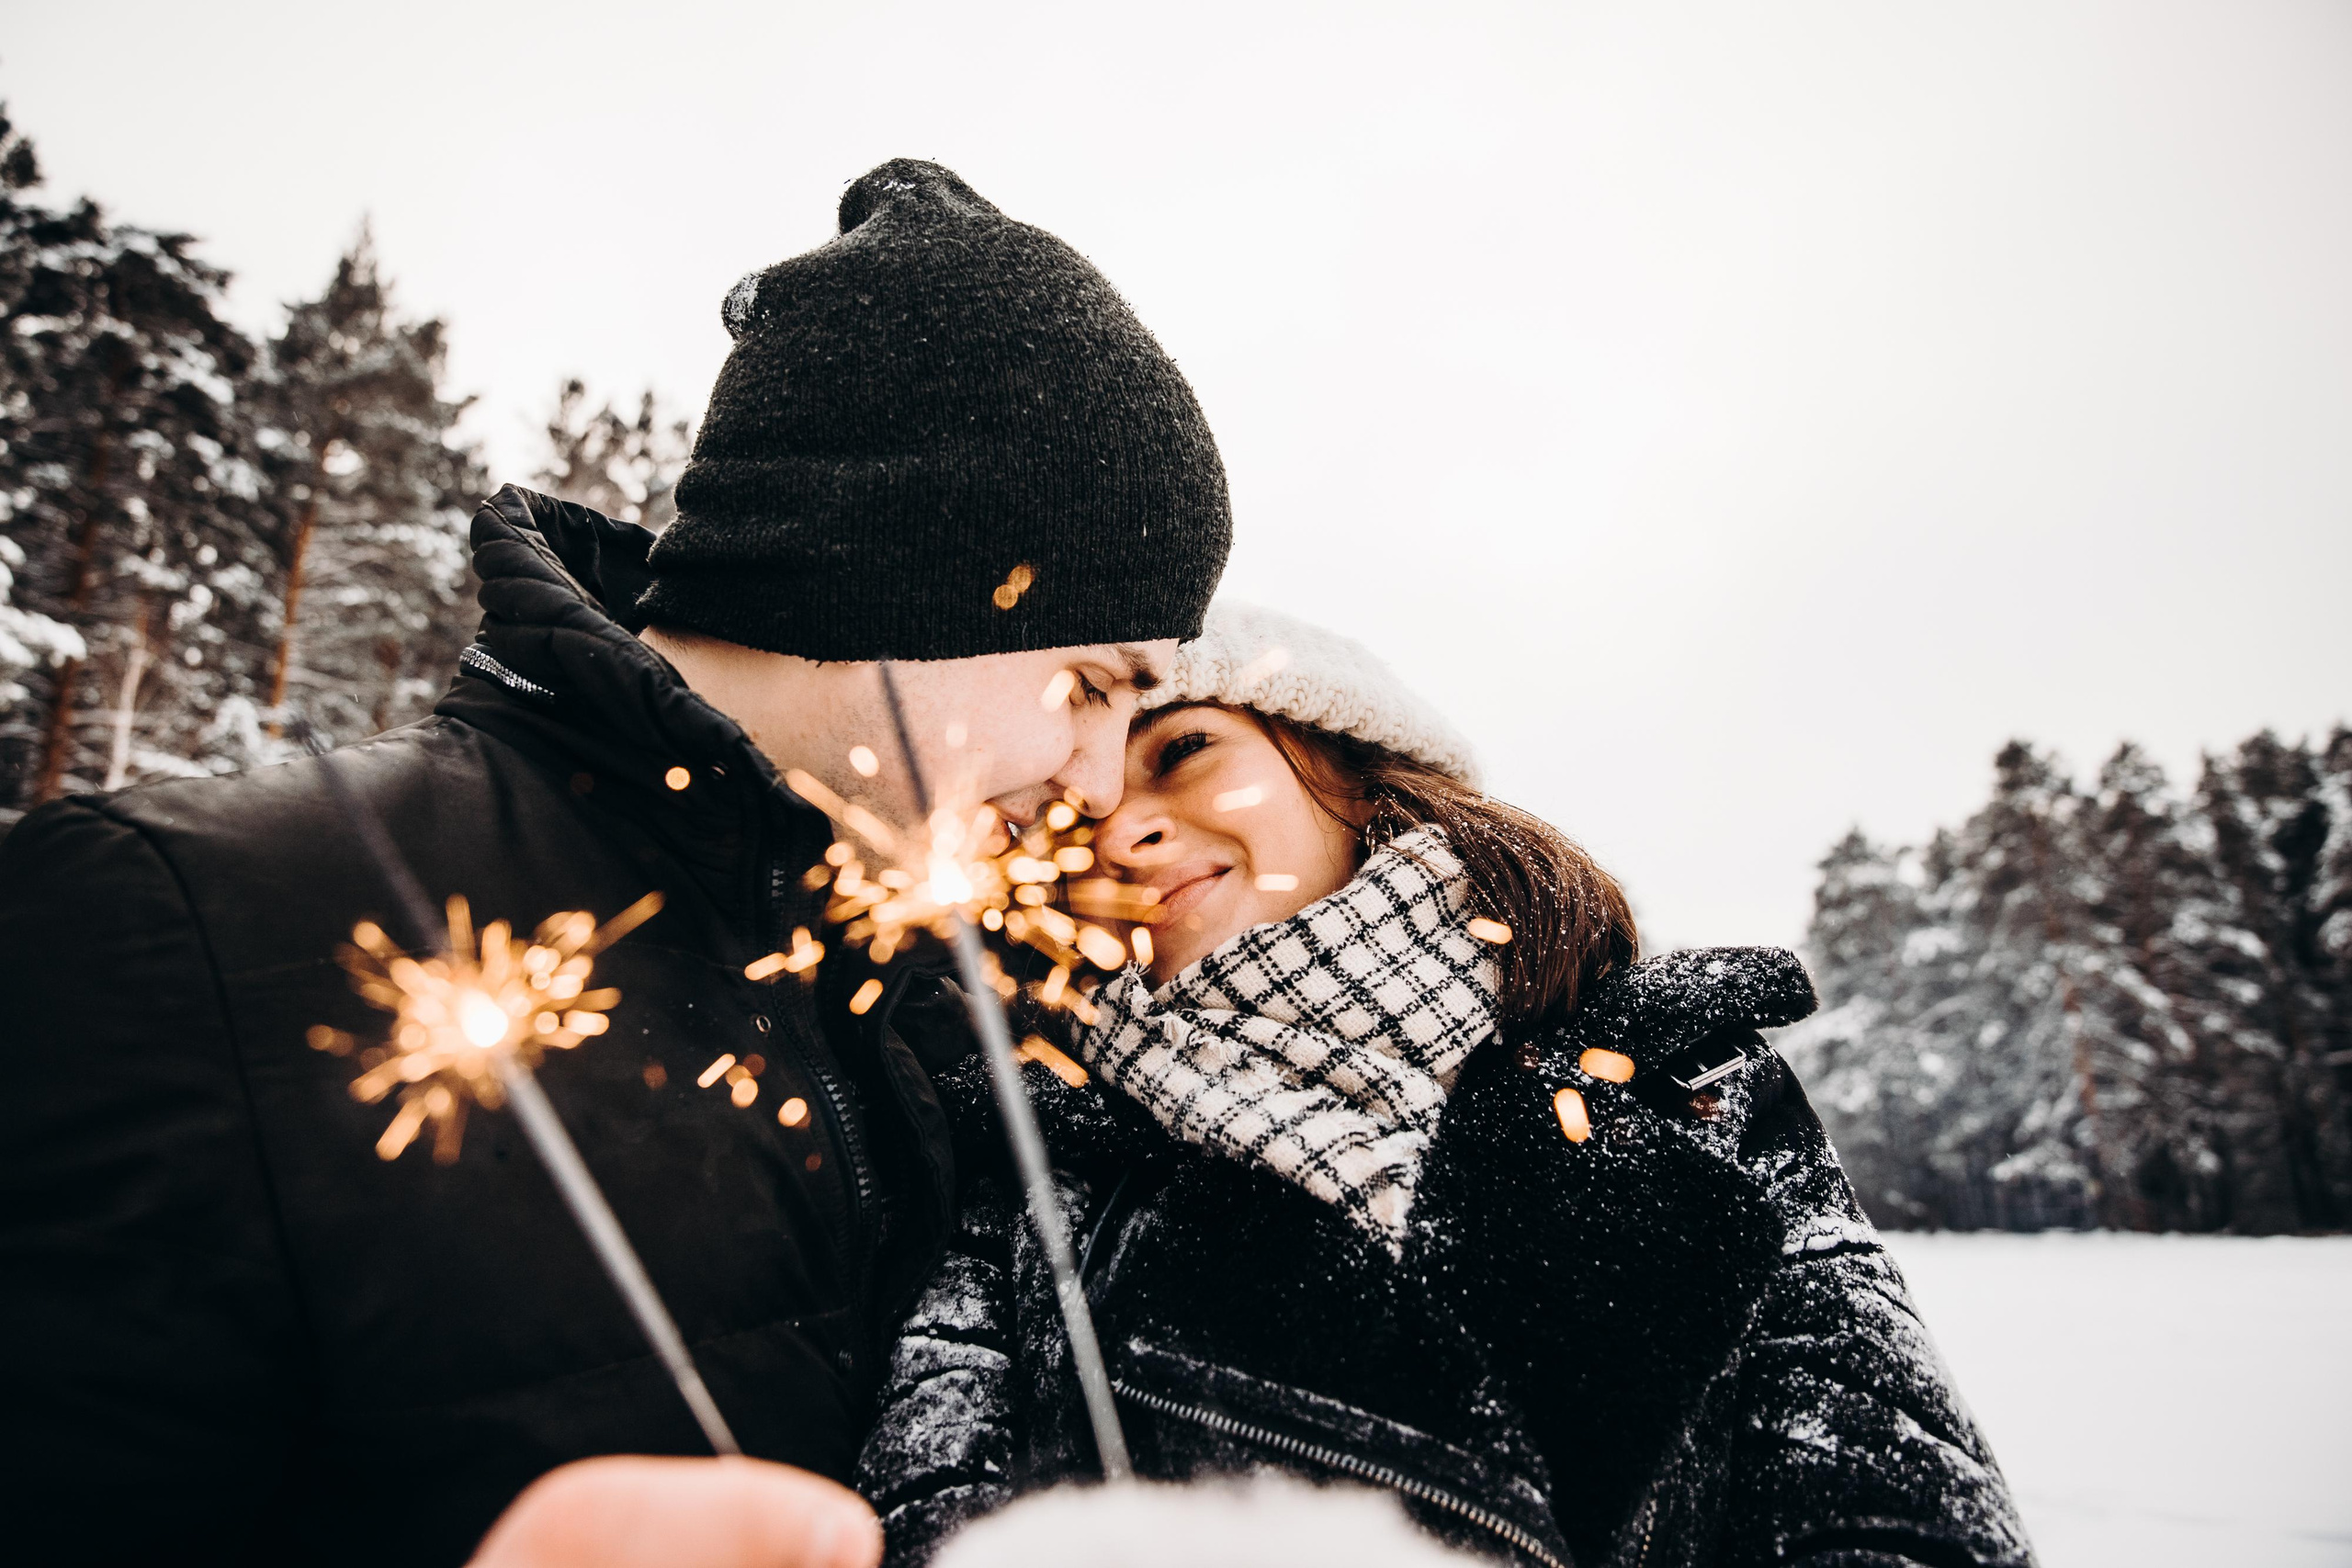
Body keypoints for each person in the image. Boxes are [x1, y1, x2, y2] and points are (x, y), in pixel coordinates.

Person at [0, 160, 1230, 1564]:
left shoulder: (972, 1027)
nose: (1097, 775)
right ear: (900, 577)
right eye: (1089, 682)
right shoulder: (182, 925)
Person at [855, 602, 2036, 1568]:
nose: (1125, 835)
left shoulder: (1685, 1075)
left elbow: (1880, 1482)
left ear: (1354, 771)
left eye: (1185, 752)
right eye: (1081, 815)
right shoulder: (1031, 1158)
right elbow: (941, 1502)